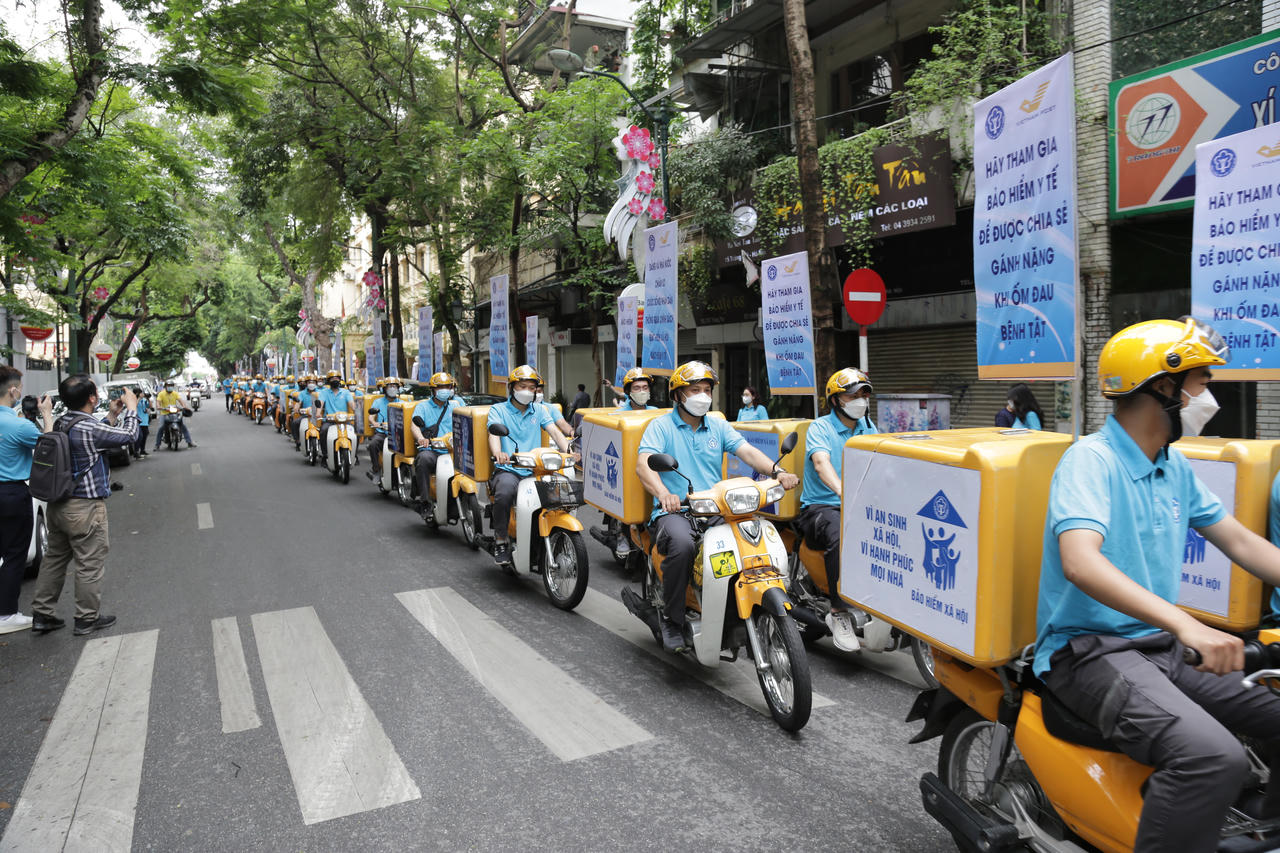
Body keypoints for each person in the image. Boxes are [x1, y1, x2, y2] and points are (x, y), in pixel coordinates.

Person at [1034, 318, 1280, 853]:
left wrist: (1178, 630)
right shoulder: (1089, 461)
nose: (1208, 395)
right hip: (1088, 654)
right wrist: (1187, 623)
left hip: (1158, 650)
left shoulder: (1173, 466)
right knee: (1213, 756)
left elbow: (1240, 543)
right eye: (1202, 381)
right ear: (1163, 388)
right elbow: (1080, 562)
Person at [637, 361, 799, 653]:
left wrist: (777, 472)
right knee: (684, 546)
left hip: (715, 509)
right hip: (676, 511)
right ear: (678, 396)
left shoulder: (718, 425)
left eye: (706, 390)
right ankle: (672, 620)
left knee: (750, 542)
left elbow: (747, 451)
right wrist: (664, 493)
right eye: (694, 390)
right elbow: (643, 463)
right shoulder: (660, 426)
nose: (702, 395)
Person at [32, 374, 140, 636]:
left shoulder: (62, 422)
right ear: (92, 397)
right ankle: (86, 619)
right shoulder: (89, 428)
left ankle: (42, 614)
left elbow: (94, 441)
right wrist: (132, 407)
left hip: (59, 507)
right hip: (85, 509)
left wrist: (112, 416)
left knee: (54, 560)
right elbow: (130, 435)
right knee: (89, 563)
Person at [797, 368, 878, 651]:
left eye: (864, 395)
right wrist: (844, 492)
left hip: (860, 505)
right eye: (852, 395)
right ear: (836, 400)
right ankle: (838, 611)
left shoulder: (869, 428)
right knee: (841, 534)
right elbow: (821, 464)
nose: (860, 400)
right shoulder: (822, 428)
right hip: (821, 507)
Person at [488, 366, 572, 567]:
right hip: (509, 469)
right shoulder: (498, 410)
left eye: (532, 387)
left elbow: (555, 432)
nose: (527, 391)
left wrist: (569, 450)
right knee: (504, 493)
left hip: (537, 470)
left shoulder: (540, 410)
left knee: (562, 495)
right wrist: (498, 453)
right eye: (522, 386)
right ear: (512, 387)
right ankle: (500, 540)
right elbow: (494, 435)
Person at [0, 366, 53, 634]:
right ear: (13, 391)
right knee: (14, 554)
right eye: (19, 388)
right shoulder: (17, 425)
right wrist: (46, 414)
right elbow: (51, 444)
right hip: (10, 493)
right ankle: (6, 614)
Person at [410, 372, 463, 506]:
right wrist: (421, 438)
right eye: (440, 387)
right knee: (423, 460)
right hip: (432, 449)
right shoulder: (422, 407)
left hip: (454, 450)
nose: (444, 390)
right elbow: (414, 426)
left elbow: (466, 424)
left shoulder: (456, 406)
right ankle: (425, 501)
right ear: (433, 390)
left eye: (447, 387)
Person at [315, 370, 356, 466]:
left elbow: (352, 404)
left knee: (355, 433)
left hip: (344, 420)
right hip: (329, 420)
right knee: (323, 431)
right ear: (329, 380)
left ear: (340, 380)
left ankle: (355, 454)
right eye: (332, 378)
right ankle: (325, 455)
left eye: (337, 378)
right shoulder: (324, 392)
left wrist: (357, 411)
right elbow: (320, 404)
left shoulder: (346, 392)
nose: (335, 380)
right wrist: (318, 413)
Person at [365, 376, 398, 479]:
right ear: (385, 388)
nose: (393, 388)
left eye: (395, 386)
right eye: (390, 386)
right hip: (382, 433)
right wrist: (375, 423)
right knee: (373, 444)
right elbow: (371, 417)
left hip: (397, 433)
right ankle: (376, 469)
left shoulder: (402, 403)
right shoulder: (378, 402)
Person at [155, 379, 196, 449]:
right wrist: (158, 406)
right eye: (168, 386)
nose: (170, 387)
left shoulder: (175, 393)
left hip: (174, 412)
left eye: (171, 386)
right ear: (165, 386)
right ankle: (157, 444)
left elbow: (181, 401)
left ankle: (189, 442)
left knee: (183, 426)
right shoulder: (161, 394)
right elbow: (158, 402)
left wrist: (184, 407)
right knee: (161, 427)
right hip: (164, 413)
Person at [292, 375, 319, 448]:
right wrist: (296, 408)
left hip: (318, 415)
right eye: (309, 382)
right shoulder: (302, 393)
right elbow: (298, 402)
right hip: (306, 415)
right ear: (306, 383)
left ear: (316, 383)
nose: (311, 384)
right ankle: (297, 440)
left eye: (313, 382)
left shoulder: (320, 392)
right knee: (295, 423)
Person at [133, 388, 152, 458]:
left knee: (144, 436)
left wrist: (148, 399)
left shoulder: (144, 400)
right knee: (139, 436)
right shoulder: (134, 400)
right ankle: (136, 451)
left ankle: (142, 450)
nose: (142, 394)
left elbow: (150, 406)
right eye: (140, 393)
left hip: (144, 421)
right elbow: (134, 405)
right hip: (137, 421)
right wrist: (139, 398)